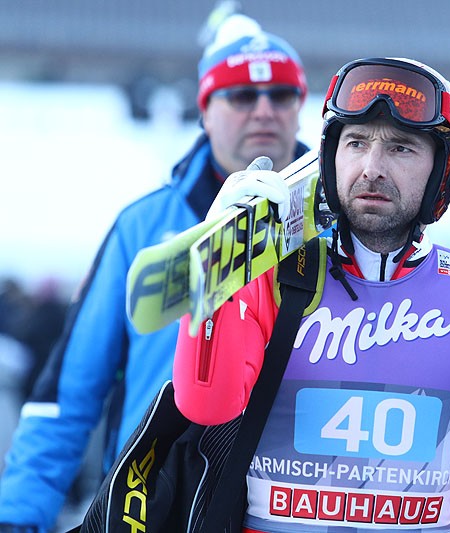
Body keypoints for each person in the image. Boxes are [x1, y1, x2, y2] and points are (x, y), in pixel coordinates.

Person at [173, 57, 450, 532]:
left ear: (443, 171)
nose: (372, 168)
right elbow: (206, 406)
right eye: (356, 143)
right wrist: (219, 264)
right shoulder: (271, 277)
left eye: (401, 148)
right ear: (331, 156)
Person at [0, 13, 309, 532]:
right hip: (148, 498)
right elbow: (68, 394)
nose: (263, 110)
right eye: (240, 96)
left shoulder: (336, 221)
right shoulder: (142, 227)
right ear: (204, 111)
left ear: (300, 108)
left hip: (279, 500)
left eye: (280, 95)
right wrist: (18, 517)